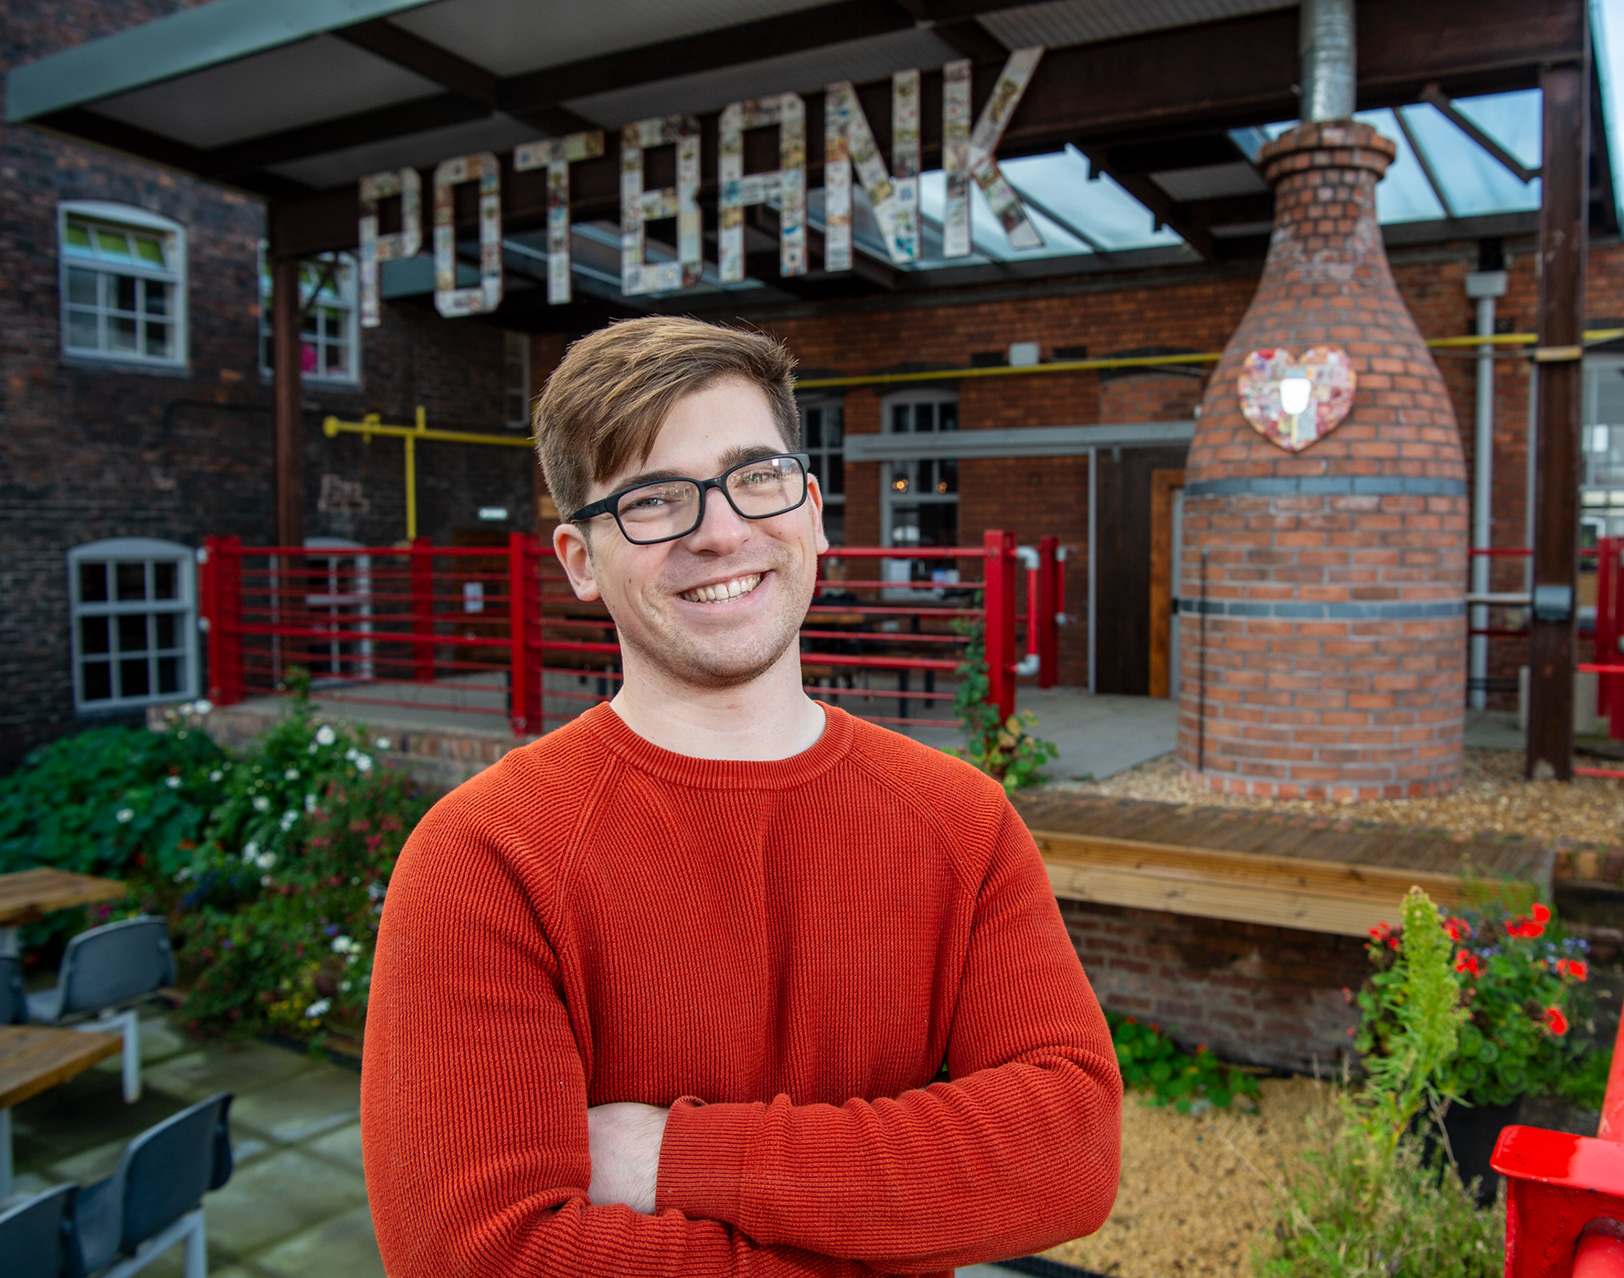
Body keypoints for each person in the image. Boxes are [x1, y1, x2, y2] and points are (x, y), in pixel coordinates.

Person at [361, 316, 1121, 1278]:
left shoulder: (960, 820)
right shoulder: (485, 856)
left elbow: (1070, 1153)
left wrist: (678, 1156)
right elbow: (477, 1260)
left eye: (754, 476)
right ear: (580, 561)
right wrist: (888, 1232)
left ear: (809, 506)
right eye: (650, 499)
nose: (720, 532)